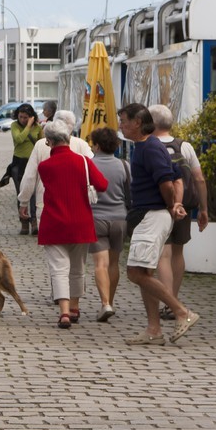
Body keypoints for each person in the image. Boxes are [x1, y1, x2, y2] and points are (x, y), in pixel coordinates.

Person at [119, 104, 198, 344]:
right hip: (150, 215)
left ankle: (182, 312)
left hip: (151, 215)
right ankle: (153, 330)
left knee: (135, 272)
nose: (120, 125)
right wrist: (175, 204)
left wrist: (170, 204)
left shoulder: (149, 147)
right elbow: (176, 176)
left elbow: (167, 181)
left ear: (138, 122)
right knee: (144, 272)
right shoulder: (147, 145)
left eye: (123, 120)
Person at [35, 121, 108, 328]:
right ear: (69, 138)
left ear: (48, 141)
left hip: (54, 223)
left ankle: (64, 312)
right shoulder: (84, 162)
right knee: (77, 268)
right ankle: (75, 307)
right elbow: (102, 185)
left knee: (59, 269)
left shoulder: (45, 166)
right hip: (80, 222)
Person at [149, 103, 207, 318]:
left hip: (158, 206)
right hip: (183, 207)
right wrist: (204, 208)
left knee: (163, 254)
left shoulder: (149, 146)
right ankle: (173, 300)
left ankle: (169, 303)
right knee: (178, 252)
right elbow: (199, 178)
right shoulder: (185, 146)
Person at [16, 109, 91, 234]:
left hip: (46, 203)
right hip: (76, 204)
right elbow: (93, 168)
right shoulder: (81, 144)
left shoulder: (41, 145)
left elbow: (29, 176)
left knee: (52, 245)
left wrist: (23, 201)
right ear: (72, 127)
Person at [87, 126, 130, 321]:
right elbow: (130, 193)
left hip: (96, 218)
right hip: (119, 218)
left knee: (100, 264)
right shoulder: (125, 165)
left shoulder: (88, 165)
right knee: (114, 263)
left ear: (96, 145)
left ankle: (105, 303)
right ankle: (110, 301)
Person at [2, 104, 43, 231]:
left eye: (26, 117)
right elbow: (19, 139)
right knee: (21, 193)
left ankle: (34, 222)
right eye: (21, 117)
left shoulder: (38, 127)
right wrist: (28, 126)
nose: (23, 120)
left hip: (34, 162)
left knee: (34, 194)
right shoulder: (15, 125)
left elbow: (42, 143)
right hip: (19, 164)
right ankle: (24, 222)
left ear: (31, 117)